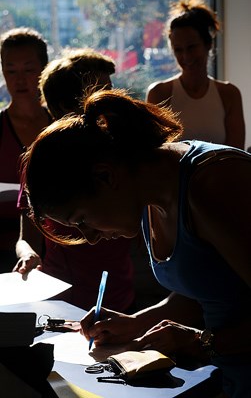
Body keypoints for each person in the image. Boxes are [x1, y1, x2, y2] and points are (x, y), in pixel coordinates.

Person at [20, 88, 251, 398]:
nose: (90, 238)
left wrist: (203, 342)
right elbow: (211, 288)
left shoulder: (214, 185)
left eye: (82, 221)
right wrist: (138, 322)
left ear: (105, 176)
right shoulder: (147, 197)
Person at [14, 48, 136, 313]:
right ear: (63, 108)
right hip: (62, 299)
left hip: (120, 293)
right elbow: (27, 237)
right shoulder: (41, 163)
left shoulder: (121, 155)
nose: (111, 104)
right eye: (100, 96)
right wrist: (27, 254)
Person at [146, 0, 245, 150]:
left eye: (192, 47)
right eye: (178, 50)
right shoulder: (159, 93)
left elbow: (235, 158)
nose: (186, 57)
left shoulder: (229, 94)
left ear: (208, 45)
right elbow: (152, 156)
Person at [0, 27, 51, 272]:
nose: (19, 80)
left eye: (28, 70)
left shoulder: (59, 125)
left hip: (58, 247)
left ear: (44, 70)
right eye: (11, 71)